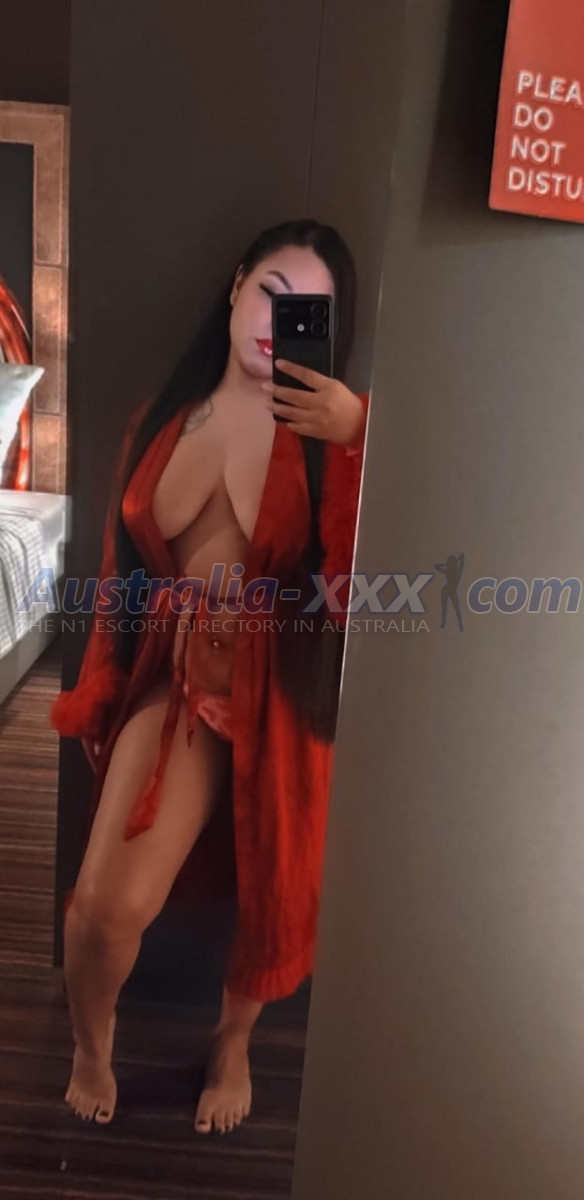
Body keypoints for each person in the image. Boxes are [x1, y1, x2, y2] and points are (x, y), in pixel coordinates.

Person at [50, 218, 369, 1134]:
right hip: (179, 689)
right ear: (235, 286)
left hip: (286, 702)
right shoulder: (163, 420)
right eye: (270, 292)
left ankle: (232, 1045)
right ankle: (90, 1046)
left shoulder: (332, 431)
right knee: (104, 910)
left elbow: (352, 593)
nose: (278, 321)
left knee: (274, 898)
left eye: (308, 311)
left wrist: (357, 439)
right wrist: (101, 697)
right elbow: (116, 578)